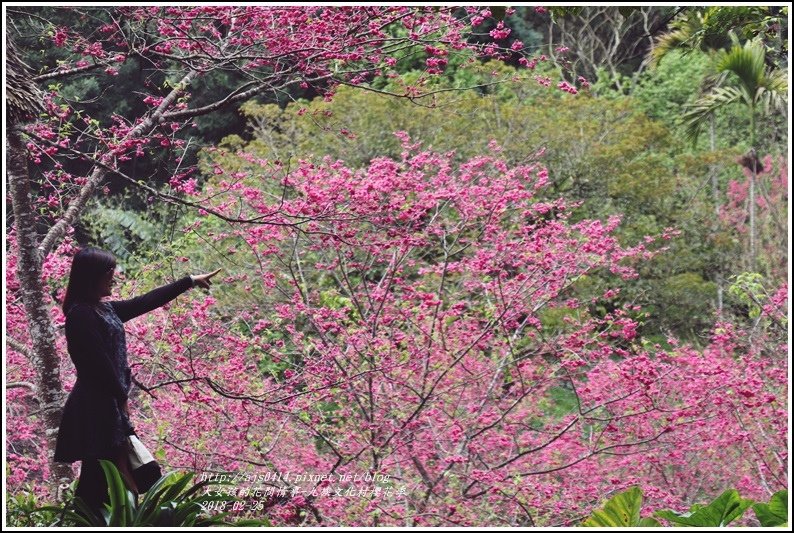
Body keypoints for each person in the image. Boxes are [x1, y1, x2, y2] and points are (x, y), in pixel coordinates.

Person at [53, 246, 220, 521]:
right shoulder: (81, 315)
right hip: (95, 408)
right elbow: (97, 365)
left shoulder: (103, 310)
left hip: (108, 405)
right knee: (98, 475)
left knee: (103, 474)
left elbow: (145, 302)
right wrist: (121, 398)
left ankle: (90, 521)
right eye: (109, 273)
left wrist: (189, 281)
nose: (113, 278)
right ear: (92, 276)